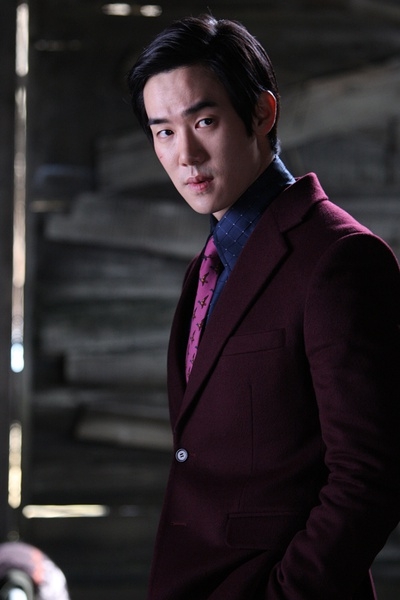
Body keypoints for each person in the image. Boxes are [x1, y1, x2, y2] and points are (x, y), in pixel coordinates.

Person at [127, 14, 400, 600]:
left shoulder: (340, 258)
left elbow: (372, 475)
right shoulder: (208, 266)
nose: (185, 154)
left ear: (261, 113)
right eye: (164, 132)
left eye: (204, 121)